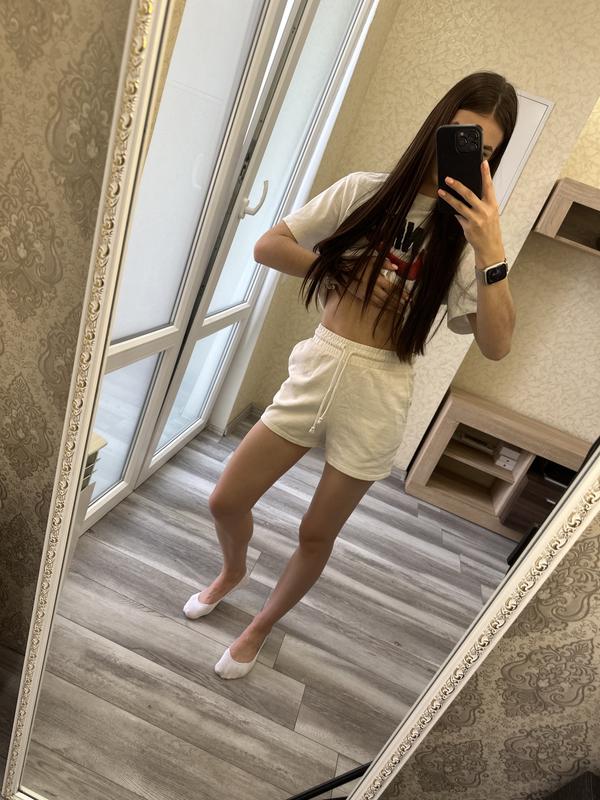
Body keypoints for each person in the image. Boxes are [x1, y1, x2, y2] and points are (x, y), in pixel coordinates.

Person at [183, 70, 518, 679]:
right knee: (225, 499)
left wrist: (491, 249)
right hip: (320, 365)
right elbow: (268, 246)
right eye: (460, 136)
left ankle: (259, 627)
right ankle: (233, 570)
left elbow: (496, 345)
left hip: (379, 392)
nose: (466, 156)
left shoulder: (468, 244)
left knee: (316, 533)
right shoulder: (365, 192)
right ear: (438, 125)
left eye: (484, 152)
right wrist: (340, 272)